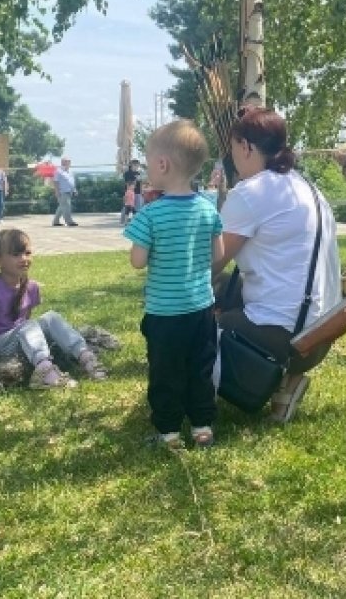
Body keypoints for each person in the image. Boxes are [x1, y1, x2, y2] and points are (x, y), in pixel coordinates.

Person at [211, 108, 342, 424]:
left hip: (286, 337)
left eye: (233, 151)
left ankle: (198, 399)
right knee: (220, 288)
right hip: (322, 333)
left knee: (183, 316)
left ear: (245, 147)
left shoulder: (251, 193)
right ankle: (286, 382)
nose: (234, 161)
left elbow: (208, 263)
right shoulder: (305, 186)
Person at [124, 120, 223, 448]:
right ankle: (202, 426)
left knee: (165, 372)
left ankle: (168, 432)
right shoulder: (208, 209)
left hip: (165, 312)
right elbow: (217, 255)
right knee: (200, 367)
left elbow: (137, 261)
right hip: (201, 308)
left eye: (149, 162)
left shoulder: (150, 215)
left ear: (163, 164)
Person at [0, 228, 108, 387]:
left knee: (51, 317)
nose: (24, 259)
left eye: (27, 253)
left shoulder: (31, 287)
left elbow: (26, 318)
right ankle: (44, 372)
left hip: (19, 340)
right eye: (16, 254)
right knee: (28, 326)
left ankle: (85, 356)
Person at [51, 156, 78, 227]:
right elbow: (55, 182)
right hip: (62, 192)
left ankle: (55, 221)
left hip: (69, 192)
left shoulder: (70, 171)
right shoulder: (58, 171)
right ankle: (69, 221)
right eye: (67, 161)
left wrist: (74, 190)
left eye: (69, 161)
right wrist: (57, 191)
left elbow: (72, 181)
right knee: (66, 207)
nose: (69, 162)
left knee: (61, 207)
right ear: (63, 162)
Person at [121, 157, 143, 225]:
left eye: (138, 165)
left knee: (137, 207)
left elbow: (140, 183)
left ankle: (136, 221)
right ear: (132, 165)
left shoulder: (138, 173)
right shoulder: (127, 173)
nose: (137, 167)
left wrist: (141, 191)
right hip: (129, 192)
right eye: (136, 165)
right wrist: (136, 179)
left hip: (137, 192)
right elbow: (128, 183)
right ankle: (124, 220)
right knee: (127, 207)